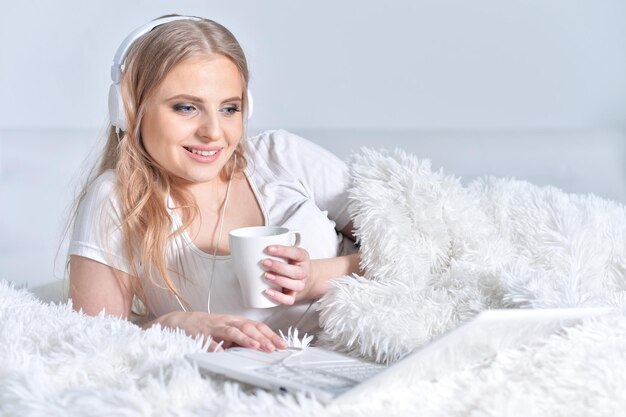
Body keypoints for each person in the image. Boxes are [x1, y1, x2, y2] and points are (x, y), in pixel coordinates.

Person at [68, 15, 361, 353]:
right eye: (186, 107)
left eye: (228, 108)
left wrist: (318, 276)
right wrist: (171, 326)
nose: (213, 131)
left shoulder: (282, 157)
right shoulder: (117, 200)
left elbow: (414, 249)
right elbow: (89, 345)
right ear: (129, 111)